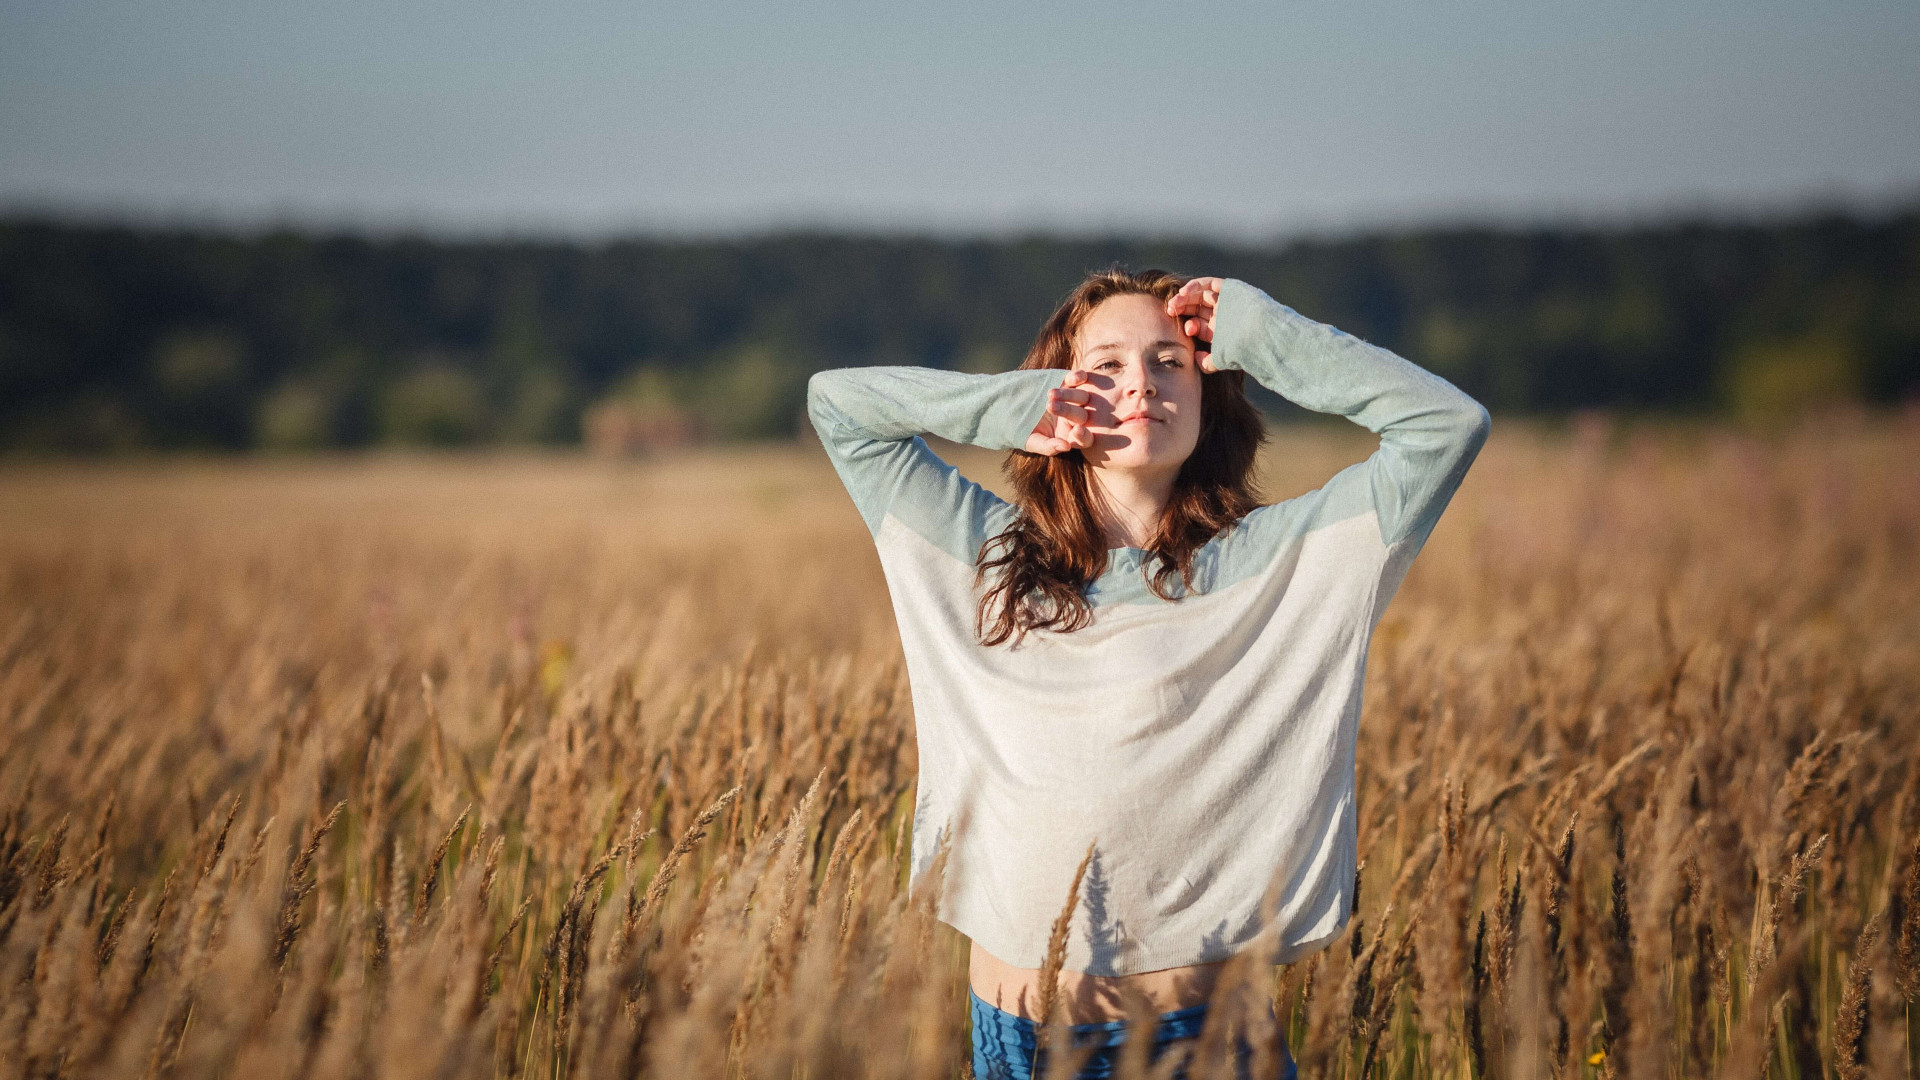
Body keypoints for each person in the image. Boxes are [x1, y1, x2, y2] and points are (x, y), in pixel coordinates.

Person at [806, 270, 1489, 1079]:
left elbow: (1447, 426)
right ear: (1060, 387)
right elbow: (838, 406)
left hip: (1193, 1043)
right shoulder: (976, 550)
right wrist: (1005, 411)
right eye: (1107, 366)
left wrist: (1268, 337)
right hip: (1011, 1041)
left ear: (1209, 392)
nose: (1141, 384)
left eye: (1172, 361)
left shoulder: (1283, 562)